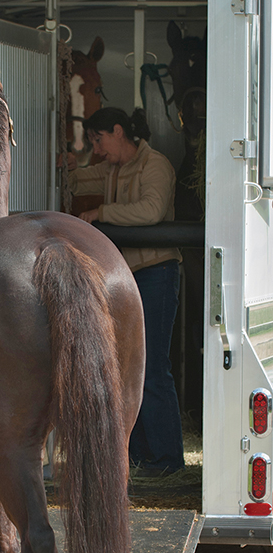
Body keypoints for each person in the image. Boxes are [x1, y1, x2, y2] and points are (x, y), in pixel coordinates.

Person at [71, 107, 185, 476]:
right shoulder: (114, 168)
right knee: (126, 366)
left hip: (156, 273)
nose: (98, 149)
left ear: (118, 132)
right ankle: (137, 456)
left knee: (151, 367)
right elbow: (80, 179)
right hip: (128, 278)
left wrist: (102, 212)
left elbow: (151, 211)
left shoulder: (156, 165)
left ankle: (168, 459)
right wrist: (64, 166)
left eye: (99, 140)